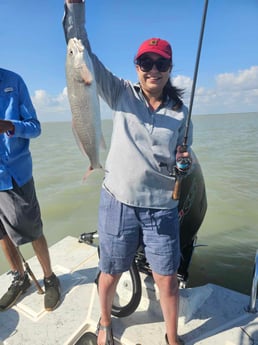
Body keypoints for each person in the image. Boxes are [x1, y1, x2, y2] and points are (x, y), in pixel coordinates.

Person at [64, 2, 193, 344]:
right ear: (137, 66)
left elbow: (185, 159)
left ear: (170, 68)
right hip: (118, 202)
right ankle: (105, 322)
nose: (153, 69)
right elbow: (82, 50)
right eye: (146, 62)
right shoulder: (119, 92)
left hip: (161, 208)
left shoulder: (181, 113)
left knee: (167, 279)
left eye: (161, 63)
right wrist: (75, 9)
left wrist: (185, 163)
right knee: (110, 272)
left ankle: (172, 336)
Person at [0, 68, 61, 312]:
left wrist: (9, 126)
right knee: (2, 235)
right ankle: (20, 277)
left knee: (33, 230)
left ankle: (49, 278)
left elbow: (35, 127)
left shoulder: (14, 82)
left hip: (16, 176)